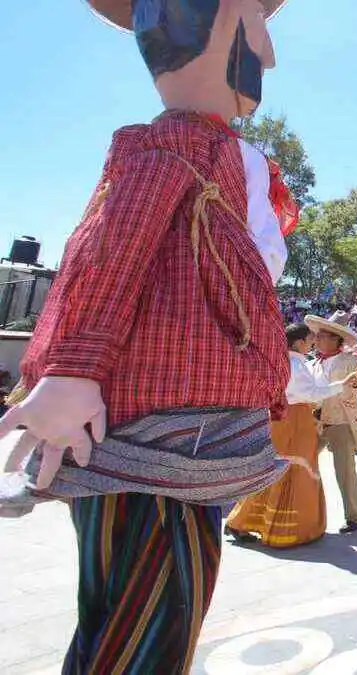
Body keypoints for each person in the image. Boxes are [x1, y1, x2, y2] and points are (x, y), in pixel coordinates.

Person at [0, 1, 293, 671]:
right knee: (153, 628)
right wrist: (73, 364)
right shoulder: (183, 146)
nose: (270, 55)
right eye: (258, 25)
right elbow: (114, 241)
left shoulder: (204, 150)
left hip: (163, 435)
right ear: (236, 31)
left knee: (119, 615)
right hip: (168, 437)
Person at [227, 323, 357, 547]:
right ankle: (286, 528)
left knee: (274, 469)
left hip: (281, 418)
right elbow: (312, 393)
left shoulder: (281, 361)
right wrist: (342, 384)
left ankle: (243, 520)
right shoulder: (297, 364)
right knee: (297, 469)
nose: (313, 344)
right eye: (310, 341)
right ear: (299, 343)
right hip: (296, 418)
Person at [307, 311, 357, 533]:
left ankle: (354, 517)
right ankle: (302, 511)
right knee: (302, 464)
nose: (317, 339)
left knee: (345, 471)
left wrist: (353, 384)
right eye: (318, 335)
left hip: (341, 420)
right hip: (314, 422)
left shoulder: (350, 360)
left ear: (336, 339)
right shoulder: (312, 363)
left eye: (322, 335)